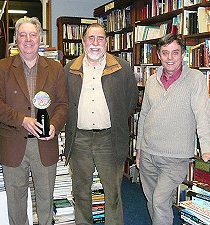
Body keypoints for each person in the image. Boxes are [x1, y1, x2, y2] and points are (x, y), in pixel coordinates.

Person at [0, 17, 68, 225]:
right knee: (15, 201)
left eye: (33, 34)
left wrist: (55, 125)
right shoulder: (1, 67)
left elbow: (63, 105)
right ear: (16, 39)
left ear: (40, 38)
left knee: (45, 199)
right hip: (13, 144)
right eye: (22, 35)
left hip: (45, 144)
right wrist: (22, 120)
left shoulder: (56, 68)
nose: (28, 39)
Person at [135, 33, 210, 225]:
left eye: (175, 52)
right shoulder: (151, 80)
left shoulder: (195, 79)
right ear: (158, 55)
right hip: (148, 153)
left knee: (159, 200)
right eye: (165, 53)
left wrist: (207, 148)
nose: (170, 58)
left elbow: (203, 115)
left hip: (175, 157)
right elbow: (144, 116)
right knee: (153, 200)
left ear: (183, 54)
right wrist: (139, 149)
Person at [64, 23, 138, 225]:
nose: (95, 43)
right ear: (83, 42)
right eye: (91, 38)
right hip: (79, 139)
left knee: (112, 192)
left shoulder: (122, 68)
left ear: (106, 42)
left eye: (100, 39)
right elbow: (64, 102)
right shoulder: (70, 69)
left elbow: (131, 102)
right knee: (81, 190)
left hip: (109, 138)